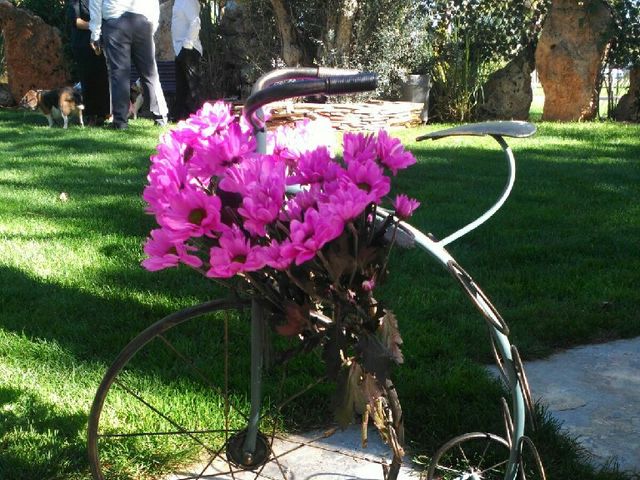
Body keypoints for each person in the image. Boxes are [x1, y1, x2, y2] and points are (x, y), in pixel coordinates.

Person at [89, 0, 168, 130]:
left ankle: (120, 121)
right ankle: (161, 117)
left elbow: (95, 2)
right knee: (149, 72)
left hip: (115, 22)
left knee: (119, 73)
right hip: (142, 21)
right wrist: (151, 25)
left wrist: (95, 34)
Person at [66, 0, 110, 126]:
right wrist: (97, 25)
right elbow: (77, 22)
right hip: (83, 43)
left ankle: (103, 113)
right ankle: (90, 115)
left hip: (101, 42)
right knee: (88, 79)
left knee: (102, 78)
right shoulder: (76, 2)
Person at [171, 0, 203, 121]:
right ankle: (180, 117)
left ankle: (198, 118)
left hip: (188, 49)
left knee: (192, 87)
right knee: (182, 87)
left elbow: (195, 22)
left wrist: (187, 45)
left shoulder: (188, 1)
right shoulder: (179, 2)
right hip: (180, 49)